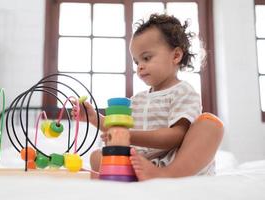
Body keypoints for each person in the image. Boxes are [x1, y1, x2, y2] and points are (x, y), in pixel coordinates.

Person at [72, 13, 224, 181]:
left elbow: (175, 137)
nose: (140, 67)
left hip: (174, 161)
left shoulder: (184, 92)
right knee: (97, 156)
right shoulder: (137, 100)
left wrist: (129, 135)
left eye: (146, 58)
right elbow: (119, 131)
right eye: (137, 62)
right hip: (140, 161)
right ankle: (136, 174)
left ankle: (167, 174)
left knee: (211, 124)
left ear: (175, 56)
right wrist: (94, 119)